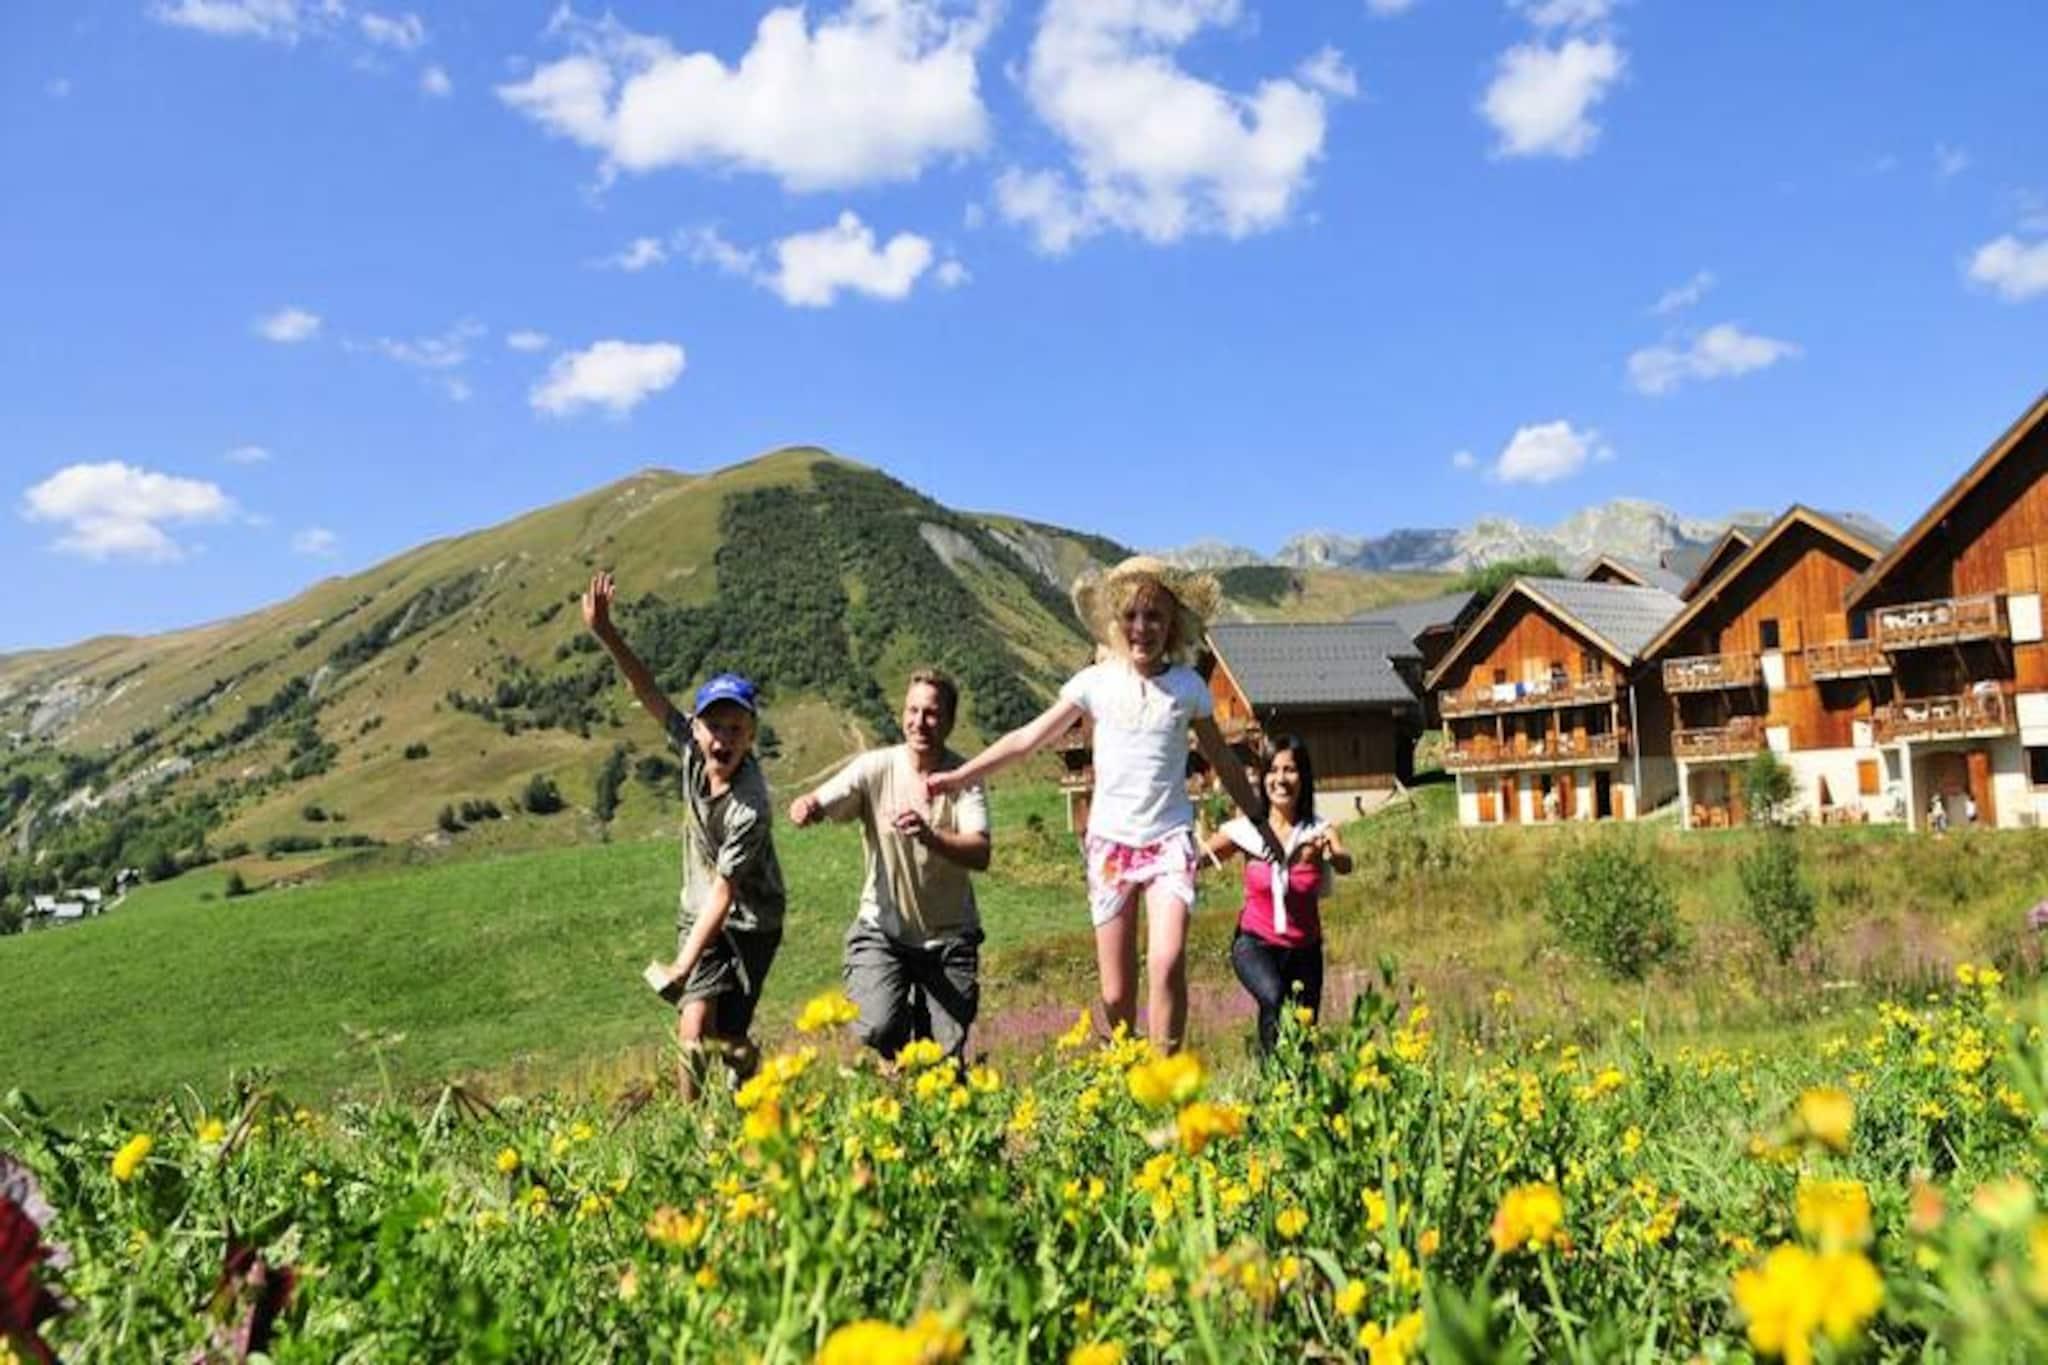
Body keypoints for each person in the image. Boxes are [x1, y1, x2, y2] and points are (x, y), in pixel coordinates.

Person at [927, 556, 1277, 1054]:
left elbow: (1222, 758)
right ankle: (1127, 1067)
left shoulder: (1188, 688)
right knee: (1115, 994)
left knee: (1167, 961)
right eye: (1131, 615)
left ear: (1172, 625)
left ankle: (1165, 1074)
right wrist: (961, 776)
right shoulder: (1094, 683)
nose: (1142, 628)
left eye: (1154, 616)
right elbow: (1027, 740)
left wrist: (1260, 819)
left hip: (1169, 841)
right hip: (1111, 846)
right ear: (1116, 621)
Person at [582, 571, 787, 1100]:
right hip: (699, 911)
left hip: (752, 921)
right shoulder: (692, 751)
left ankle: (754, 1083)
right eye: (714, 725)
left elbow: (725, 891)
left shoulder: (750, 807)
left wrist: (681, 964)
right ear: (695, 727)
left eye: (736, 728)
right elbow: (646, 690)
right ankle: (691, 1126)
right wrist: (606, 632)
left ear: (751, 736)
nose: (723, 738)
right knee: (693, 1028)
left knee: (727, 1037)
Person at [788, 670, 991, 1064]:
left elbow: (980, 853)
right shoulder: (875, 767)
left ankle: (926, 1045)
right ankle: (898, 1041)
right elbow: (824, 798)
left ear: (950, 721)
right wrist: (807, 806)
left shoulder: (964, 779)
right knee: (878, 1027)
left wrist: (930, 837)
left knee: (944, 1058)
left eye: (931, 713)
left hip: (948, 937)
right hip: (883, 931)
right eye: (912, 711)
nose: (919, 722)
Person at [1204, 736, 1352, 1056]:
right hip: (1254, 943)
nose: (1280, 779)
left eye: (1290, 770)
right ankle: (1272, 1073)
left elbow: (1345, 862)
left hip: (1305, 950)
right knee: (1274, 997)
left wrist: (1332, 855)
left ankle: (1286, 1082)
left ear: (1304, 778)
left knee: (1304, 1037)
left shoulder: (1318, 831)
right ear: (1263, 778)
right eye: (1272, 770)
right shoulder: (1247, 832)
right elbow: (1201, 855)